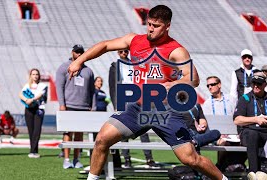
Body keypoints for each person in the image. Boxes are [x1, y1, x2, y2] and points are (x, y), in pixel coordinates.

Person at [68, 5, 227, 180]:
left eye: (156, 25)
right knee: (102, 140)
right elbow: (105, 45)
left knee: (190, 159)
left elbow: (194, 79)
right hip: (137, 107)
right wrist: (80, 61)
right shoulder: (134, 40)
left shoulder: (176, 50)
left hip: (165, 110)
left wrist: (174, 84)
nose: (150, 28)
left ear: (167, 26)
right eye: (149, 24)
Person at [109, 50, 158, 168]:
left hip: (138, 98)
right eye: (121, 51)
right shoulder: (115, 66)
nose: (124, 53)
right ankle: (127, 160)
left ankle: (149, 159)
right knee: (122, 130)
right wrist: (116, 104)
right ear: (118, 52)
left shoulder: (135, 65)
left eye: (126, 51)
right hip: (123, 99)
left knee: (143, 128)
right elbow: (112, 86)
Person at [56, 44, 95, 169]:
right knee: (68, 132)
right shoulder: (63, 67)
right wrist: (62, 104)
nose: (79, 54)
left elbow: (92, 90)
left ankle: (76, 159)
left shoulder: (88, 71)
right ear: (72, 52)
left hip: (83, 106)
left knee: (79, 134)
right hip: (69, 105)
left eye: (81, 52)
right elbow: (59, 87)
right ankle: (66, 159)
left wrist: (92, 106)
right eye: (77, 52)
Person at [203, 76, 247, 172]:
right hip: (217, 135)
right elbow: (207, 124)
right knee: (223, 141)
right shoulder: (207, 104)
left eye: (212, 84)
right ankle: (220, 166)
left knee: (247, 140)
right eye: (208, 85)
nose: (210, 87)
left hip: (234, 133)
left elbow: (238, 116)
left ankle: (238, 165)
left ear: (219, 85)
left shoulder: (231, 99)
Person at [19, 68, 47, 158]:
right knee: (31, 130)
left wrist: (32, 99)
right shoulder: (27, 85)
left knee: (37, 130)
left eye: (36, 74)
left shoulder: (43, 85)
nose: (35, 76)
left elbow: (40, 95)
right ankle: (32, 150)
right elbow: (20, 94)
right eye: (33, 74)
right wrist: (26, 100)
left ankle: (34, 151)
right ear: (30, 76)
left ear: (39, 76)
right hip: (29, 109)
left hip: (39, 109)